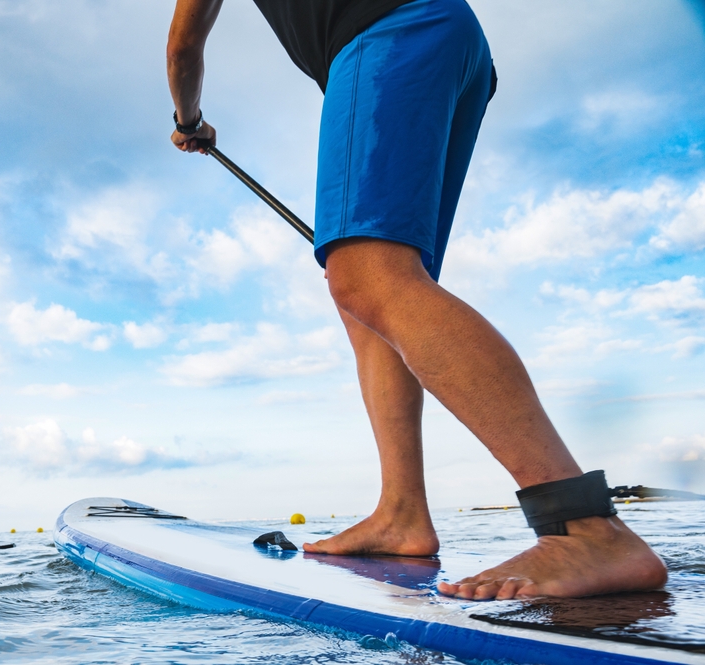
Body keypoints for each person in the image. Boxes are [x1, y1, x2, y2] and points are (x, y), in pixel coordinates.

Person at [166, 0, 667, 599]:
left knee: (366, 275)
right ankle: (401, 513)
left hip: (387, 34)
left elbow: (183, 48)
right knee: (375, 290)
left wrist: (189, 121)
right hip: (452, 41)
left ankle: (583, 526)